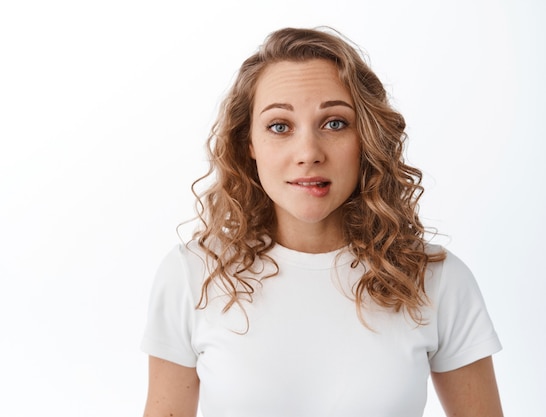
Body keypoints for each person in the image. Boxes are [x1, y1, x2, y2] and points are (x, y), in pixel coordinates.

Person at [141, 27, 503, 417]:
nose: (308, 153)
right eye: (280, 126)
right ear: (249, 143)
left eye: (334, 123)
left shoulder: (435, 278)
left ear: (367, 137)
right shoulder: (193, 274)